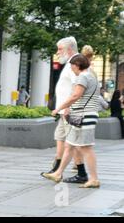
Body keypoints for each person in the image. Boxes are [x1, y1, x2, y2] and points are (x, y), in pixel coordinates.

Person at [42, 54, 100, 188]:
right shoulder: (90, 76)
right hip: (80, 116)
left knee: (86, 148)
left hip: (84, 116)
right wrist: (69, 108)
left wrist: (59, 108)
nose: (71, 69)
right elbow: (79, 97)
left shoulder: (83, 77)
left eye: (72, 66)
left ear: (77, 65)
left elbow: (75, 95)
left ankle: (94, 179)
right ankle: (58, 173)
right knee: (69, 145)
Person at [41, 37, 89, 184]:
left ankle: (81, 173)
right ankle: (57, 169)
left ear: (69, 50)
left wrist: (68, 107)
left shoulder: (75, 65)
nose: (57, 52)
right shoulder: (70, 64)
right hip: (64, 112)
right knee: (61, 138)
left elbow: (77, 89)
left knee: (71, 143)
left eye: (60, 49)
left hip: (69, 111)